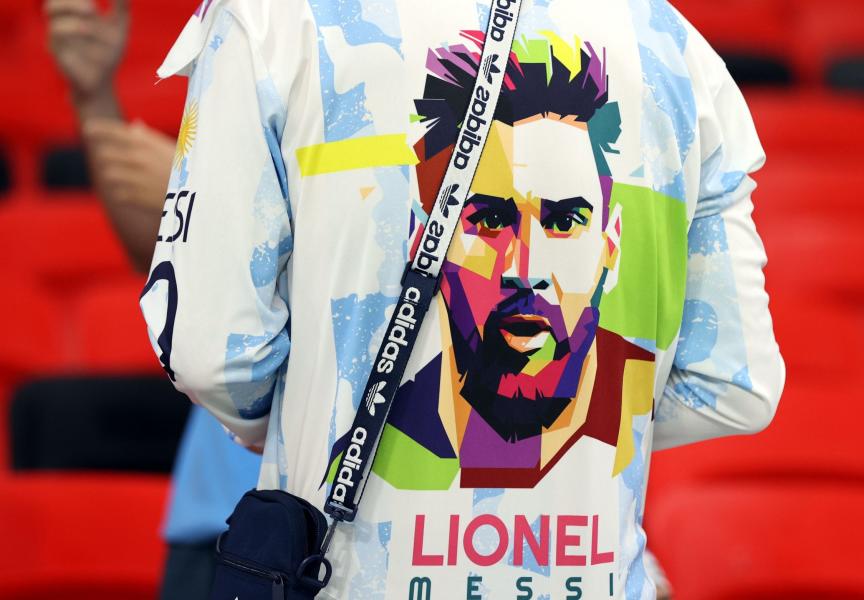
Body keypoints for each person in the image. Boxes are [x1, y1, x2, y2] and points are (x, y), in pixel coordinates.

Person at [141, 1, 786, 598]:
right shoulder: (678, 49)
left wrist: (312, 418)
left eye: (563, 222)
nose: (525, 270)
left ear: (608, 241)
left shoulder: (270, 19)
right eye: (489, 220)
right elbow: (733, 380)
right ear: (428, 231)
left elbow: (211, 353)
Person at [44, 1, 261, 598]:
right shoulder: (252, 36)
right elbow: (167, 260)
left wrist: (199, 199)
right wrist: (93, 99)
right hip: (211, 512)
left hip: (328, 511)